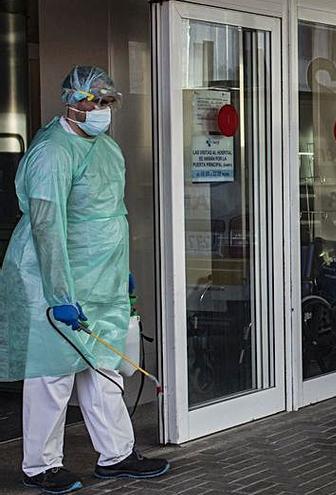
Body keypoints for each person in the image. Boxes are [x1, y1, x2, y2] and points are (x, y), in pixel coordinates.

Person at [0, 66, 169, 494]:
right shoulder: (51, 153)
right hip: (54, 279)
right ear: (73, 102)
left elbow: (109, 217)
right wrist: (59, 294)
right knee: (52, 375)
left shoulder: (107, 149)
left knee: (103, 368)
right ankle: (39, 465)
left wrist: (119, 272)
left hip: (102, 279)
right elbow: (47, 227)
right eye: (97, 102)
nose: (104, 111)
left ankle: (116, 455)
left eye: (109, 103)